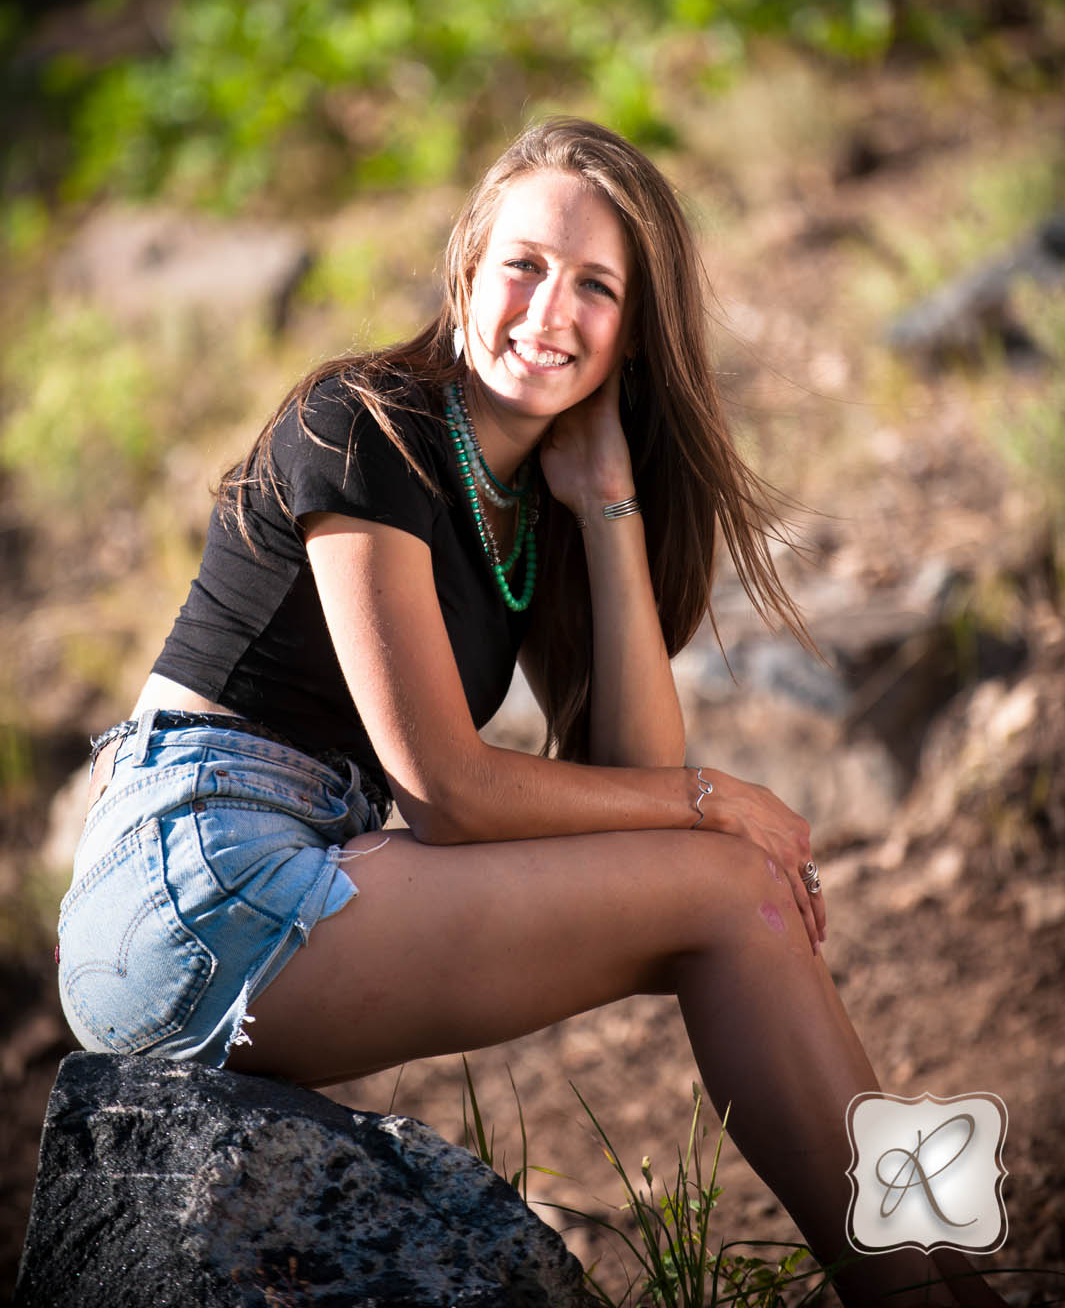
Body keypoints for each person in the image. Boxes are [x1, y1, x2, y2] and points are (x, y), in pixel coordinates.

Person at [57, 119, 1005, 1305]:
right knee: (728, 881)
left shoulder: (528, 505)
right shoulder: (360, 422)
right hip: (187, 875)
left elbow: (633, 786)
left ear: (633, 335)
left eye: (596, 286)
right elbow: (448, 790)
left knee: (740, 897)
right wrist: (714, 801)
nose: (550, 308)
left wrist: (607, 506)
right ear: (465, 269)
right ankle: (927, 1291)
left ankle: (950, 1271)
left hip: (293, 866)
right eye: (524, 264)